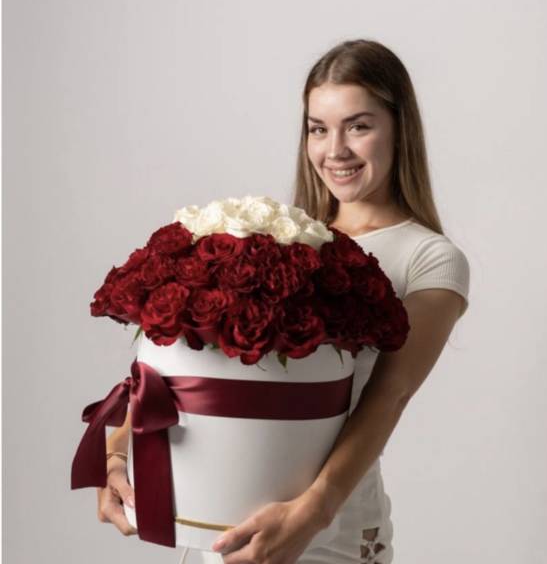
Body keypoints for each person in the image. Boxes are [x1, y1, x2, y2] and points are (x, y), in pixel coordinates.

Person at [97, 38, 470, 564]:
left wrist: (311, 516)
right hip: (220, 526)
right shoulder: (284, 241)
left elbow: (390, 395)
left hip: (328, 532)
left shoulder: (430, 258)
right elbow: (185, 375)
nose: (334, 150)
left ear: (399, 129)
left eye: (358, 126)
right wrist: (117, 455)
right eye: (318, 129)